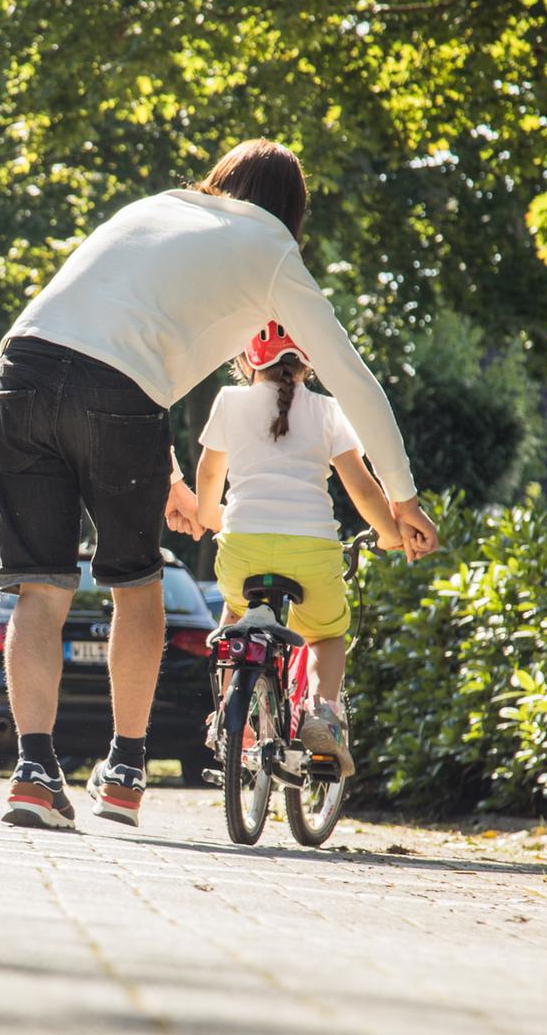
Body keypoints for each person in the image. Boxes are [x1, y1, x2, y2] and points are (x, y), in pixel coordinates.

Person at [0, 138, 437, 830]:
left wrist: (165, 468)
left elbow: (114, 337)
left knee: (40, 589)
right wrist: (400, 494)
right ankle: (127, 771)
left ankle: (34, 773)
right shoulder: (273, 251)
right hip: (116, 393)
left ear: (222, 180)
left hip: (21, 370)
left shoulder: (159, 207)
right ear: (293, 211)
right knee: (135, 585)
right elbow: (351, 376)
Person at [194, 322, 413, 779]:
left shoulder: (228, 402)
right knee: (326, 635)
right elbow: (363, 489)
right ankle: (321, 717)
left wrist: (209, 516)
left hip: (242, 548)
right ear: (308, 362)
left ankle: (227, 723)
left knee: (235, 615)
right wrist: (390, 533)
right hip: (312, 550)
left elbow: (210, 475)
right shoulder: (329, 411)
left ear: (246, 360)